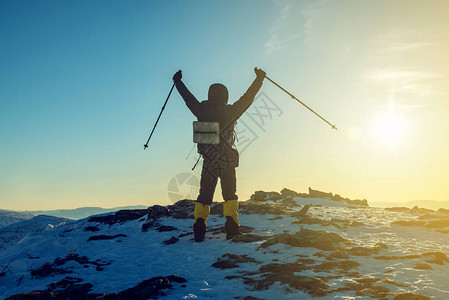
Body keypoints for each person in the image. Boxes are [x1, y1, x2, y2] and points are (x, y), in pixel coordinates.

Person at [173, 68, 266, 242]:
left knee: (204, 197)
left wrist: (178, 82)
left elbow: (188, 99)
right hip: (227, 161)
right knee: (230, 195)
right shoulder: (231, 112)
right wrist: (259, 80)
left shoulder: (200, 109)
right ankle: (232, 229)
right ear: (225, 96)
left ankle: (199, 231)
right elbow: (248, 98)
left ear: (210, 95)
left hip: (208, 161)